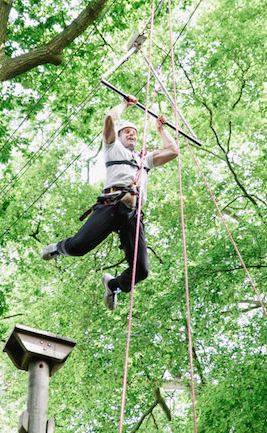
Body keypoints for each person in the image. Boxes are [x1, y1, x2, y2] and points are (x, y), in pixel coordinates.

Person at [41, 95, 178, 310]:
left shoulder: (144, 160)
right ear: (119, 136)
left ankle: (113, 285)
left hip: (133, 215)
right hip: (111, 205)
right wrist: (125, 104)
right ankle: (59, 248)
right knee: (78, 247)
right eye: (127, 132)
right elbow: (109, 120)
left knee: (141, 270)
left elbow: (173, 151)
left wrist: (161, 130)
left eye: (134, 132)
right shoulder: (112, 148)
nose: (132, 134)